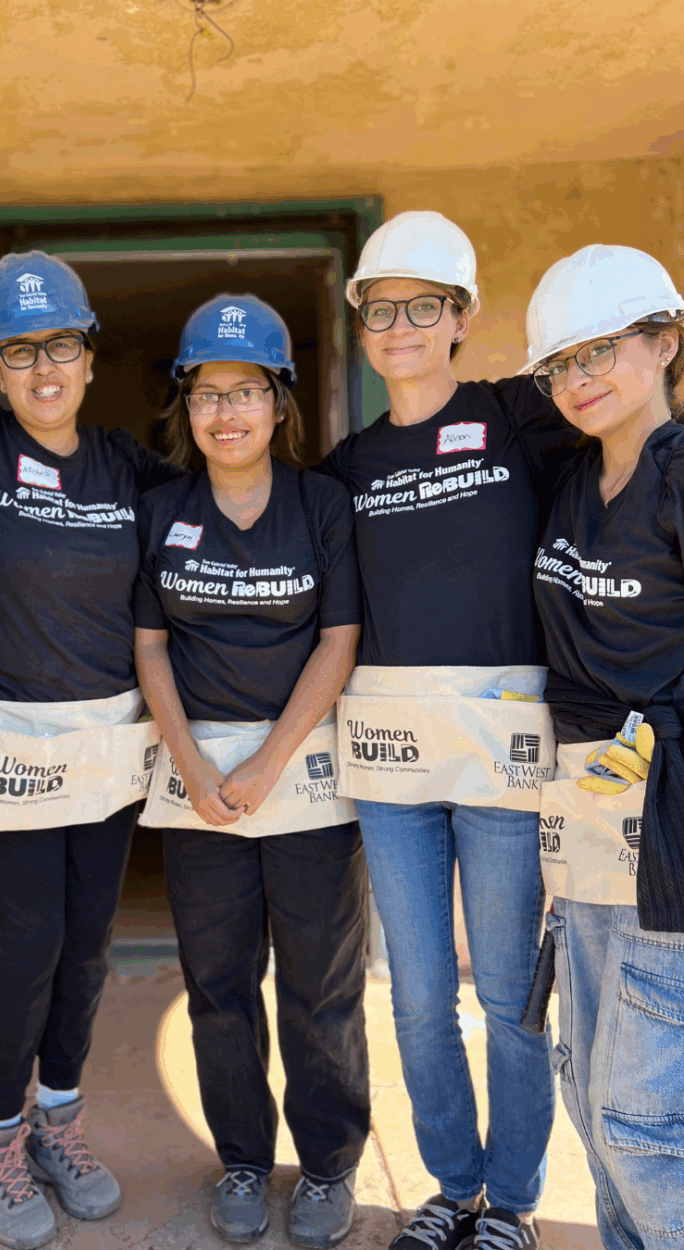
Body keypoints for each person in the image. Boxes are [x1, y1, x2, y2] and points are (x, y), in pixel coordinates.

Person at [0, 251, 183, 1250]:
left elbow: (223, 510)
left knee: (86, 944)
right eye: (18, 351)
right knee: (23, 949)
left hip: (105, 746)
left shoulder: (126, 467)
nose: (42, 367)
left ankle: (59, 1117)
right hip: (6, 746)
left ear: (89, 354)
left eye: (59, 343)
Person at [316, 211, 579, 1250]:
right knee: (422, 994)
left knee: (510, 991)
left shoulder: (516, 417)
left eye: (423, 306)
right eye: (382, 309)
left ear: (461, 317)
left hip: (504, 749)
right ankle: (453, 1184)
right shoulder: (346, 464)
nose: (400, 326)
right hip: (391, 757)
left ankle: (511, 1198)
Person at [134, 294, 369, 1250]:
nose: (224, 413)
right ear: (185, 409)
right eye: (205, 394)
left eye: (245, 391)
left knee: (321, 984)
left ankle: (326, 1166)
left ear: (279, 403)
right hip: (197, 780)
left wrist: (269, 762)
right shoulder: (162, 511)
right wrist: (191, 765)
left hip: (303, 774)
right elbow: (151, 647)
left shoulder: (321, 505)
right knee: (219, 980)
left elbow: (340, 638)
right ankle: (241, 1155)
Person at [527, 243, 684, 1250]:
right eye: (559, 363)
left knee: (641, 1125)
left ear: (665, 342)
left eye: (601, 351)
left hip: (668, 841)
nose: (578, 379)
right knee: (588, 1099)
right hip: (585, 823)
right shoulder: (574, 480)